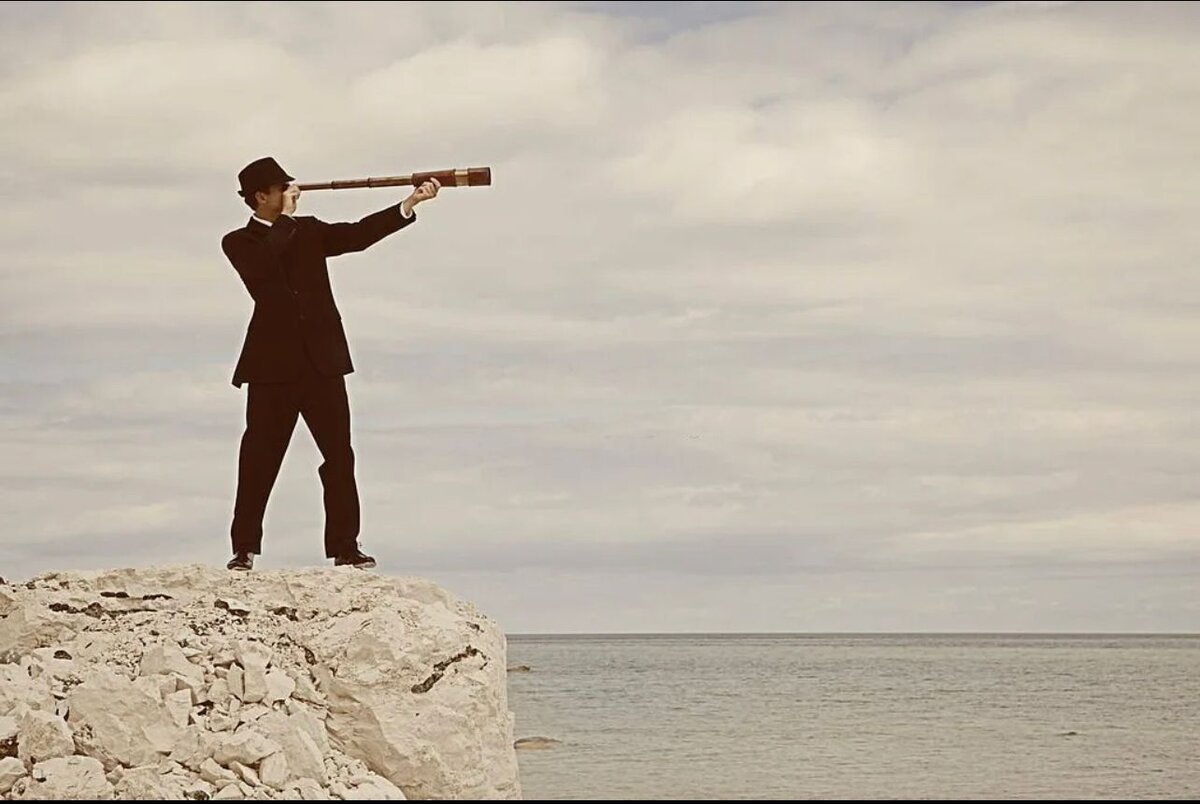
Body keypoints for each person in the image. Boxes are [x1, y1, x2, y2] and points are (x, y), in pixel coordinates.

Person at [220, 156, 440, 571]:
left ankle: (345, 547)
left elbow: (357, 235)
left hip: (323, 364)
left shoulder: (309, 231)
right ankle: (244, 549)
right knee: (259, 460)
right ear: (260, 197)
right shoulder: (239, 242)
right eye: (281, 188)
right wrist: (287, 218)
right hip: (271, 370)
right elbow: (264, 268)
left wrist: (408, 205)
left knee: (340, 457)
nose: (291, 192)